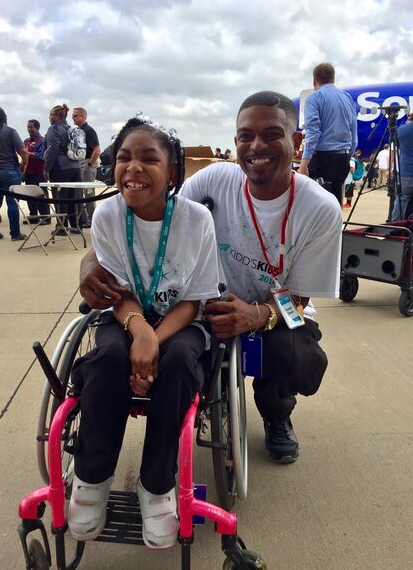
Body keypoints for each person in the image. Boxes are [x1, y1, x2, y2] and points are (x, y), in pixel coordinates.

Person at [79, 91, 342, 468]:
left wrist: (257, 316)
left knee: (297, 357)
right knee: (186, 349)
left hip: (273, 311)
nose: (257, 146)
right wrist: (89, 264)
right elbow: (153, 216)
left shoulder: (319, 208)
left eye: (271, 134)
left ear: (295, 141)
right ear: (235, 142)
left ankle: (276, 411)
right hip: (203, 305)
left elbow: (299, 299)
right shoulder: (217, 179)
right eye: (246, 136)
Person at [68, 116, 220, 549]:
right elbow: (116, 292)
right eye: (124, 158)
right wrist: (140, 332)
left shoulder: (196, 221)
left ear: (173, 171)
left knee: (180, 361)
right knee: (107, 358)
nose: (134, 168)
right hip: (125, 314)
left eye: (149, 159)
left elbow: (194, 301)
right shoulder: (109, 215)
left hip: (181, 319)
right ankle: (91, 478)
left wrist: (156, 337)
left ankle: (156, 485)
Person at [298, 62, 357, 205]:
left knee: (317, 208)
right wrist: (345, 157)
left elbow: (313, 132)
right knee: (335, 205)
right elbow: (354, 137)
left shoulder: (314, 98)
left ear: (314, 81)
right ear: (333, 79)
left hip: (323, 161)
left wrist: (304, 164)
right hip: (342, 159)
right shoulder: (347, 98)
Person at [0, 106, 28, 241]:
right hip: (10, 170)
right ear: (4, 117)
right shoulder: (10, 131)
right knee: (12, 203)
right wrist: (24, 164)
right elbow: (23, 151)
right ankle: (15, 234)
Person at [44, 103, 82, 235]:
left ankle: (62, 227)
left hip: (61, 167)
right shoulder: (72, 129)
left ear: (58, 116)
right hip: (76, 167)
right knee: (74, 198)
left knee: (60, 198)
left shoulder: (53, 129)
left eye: (51, 114)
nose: (49, 117)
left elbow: (52, 149)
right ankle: (76, 225)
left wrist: (46, 168)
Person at [72, 107, 101, 226]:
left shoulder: (88, 130)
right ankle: (84, 218)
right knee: (80, 192)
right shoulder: (78, 131)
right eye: (72, 116)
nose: (73, 118)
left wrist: (89, 164)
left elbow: (97, 149)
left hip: (87, 162)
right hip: (80, 162)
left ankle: (92, 219)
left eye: (75, 116)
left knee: (88, 192)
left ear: (82, 117)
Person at [24, 119, 50, 223]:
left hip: (39, 172)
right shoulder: (26, 141)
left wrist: (27, 153)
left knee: (41, 195)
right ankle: (33, 217)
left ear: (37, 128)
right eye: (28, 127)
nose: (29, 129)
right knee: (29, 195)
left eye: (31, 127)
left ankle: (46, 217)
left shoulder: (42, 140)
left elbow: (41, 156)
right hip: (28, 172)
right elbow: (23, 154)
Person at [391, 114, 413, 221]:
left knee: (401, 200)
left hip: (406, 171)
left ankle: (394, 228)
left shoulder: (403, 129)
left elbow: (395, 143)